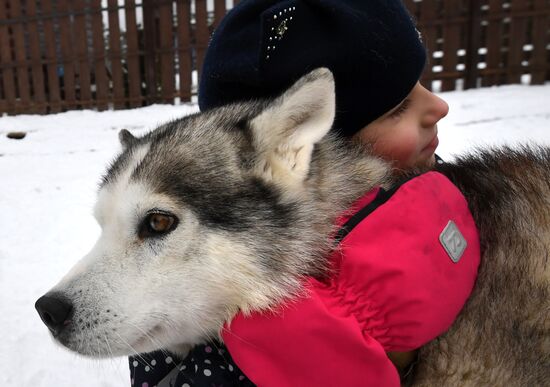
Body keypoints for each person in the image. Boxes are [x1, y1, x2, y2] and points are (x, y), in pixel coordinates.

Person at [130, 0, 479, 386]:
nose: (440, 105)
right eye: (398, 108)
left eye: (422, 83)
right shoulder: (233, 312)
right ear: (300, 144)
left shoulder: (447, 197)